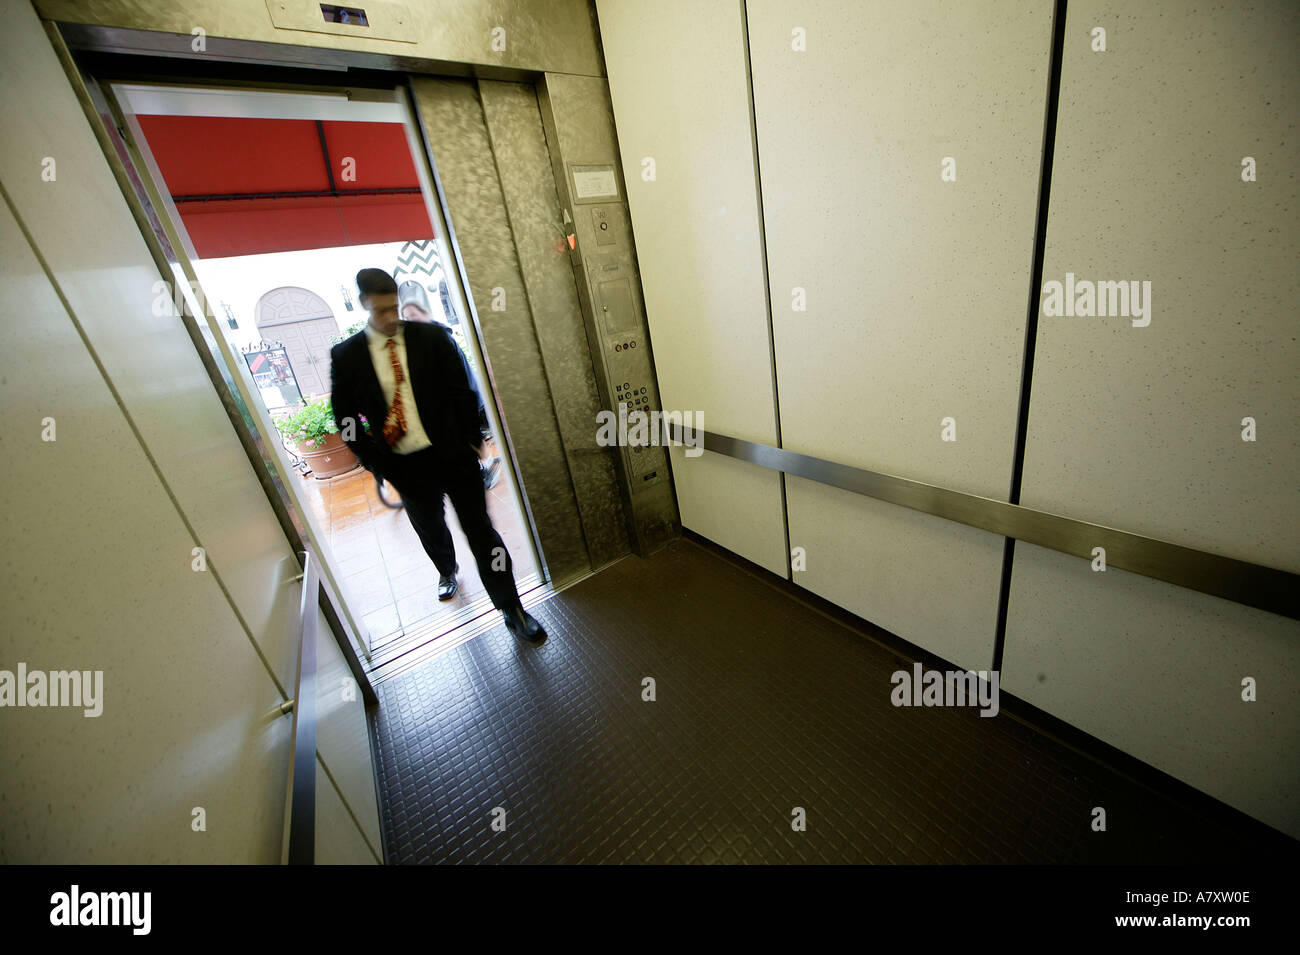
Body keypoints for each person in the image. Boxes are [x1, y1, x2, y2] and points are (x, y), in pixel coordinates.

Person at [329, 268, 545, 644]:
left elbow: (462, 391)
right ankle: (446, 570)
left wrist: (471, 440)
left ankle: (512, 607)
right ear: (363, 304)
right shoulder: (347, 357)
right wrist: (376, 463)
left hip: (452, 456)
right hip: (404, 464)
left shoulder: (431, 337)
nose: (390, 317)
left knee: (482, 531)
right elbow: (346, 419)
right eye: (380, 310)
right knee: (429, 527)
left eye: (394, 307)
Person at [397, 280, 501, 490]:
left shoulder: (440, 337)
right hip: (448, 405)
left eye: (414, 315)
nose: (411, 321)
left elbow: (457, 376)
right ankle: (485, 466)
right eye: (407, 318)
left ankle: (485, 469)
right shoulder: (421, 340)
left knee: (469, 437)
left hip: (461, 399)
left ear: (424, 313)